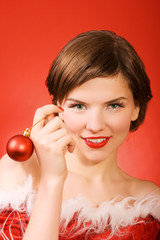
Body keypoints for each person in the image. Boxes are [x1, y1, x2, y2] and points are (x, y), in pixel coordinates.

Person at [0, 30, 159, 240]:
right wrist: (52, 180)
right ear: (57, 106)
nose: (95, 126)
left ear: (136, 108)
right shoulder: (18, 173)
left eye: (113, 105)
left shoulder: (149, 203)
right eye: (78, 106)